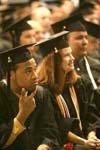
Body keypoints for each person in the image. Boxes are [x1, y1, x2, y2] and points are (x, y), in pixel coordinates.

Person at [36, 31, 100, 150]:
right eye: (66, 55)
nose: (72, 58)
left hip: (84, 141)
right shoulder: (43, 91)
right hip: (61, 144)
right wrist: (84, 143)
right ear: (54, 60)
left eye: (71, 54)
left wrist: (92, 137)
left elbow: (90, 116)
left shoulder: (78, 84)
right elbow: (56, 126)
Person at [0, 43, 60, 150]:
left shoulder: (41, 94)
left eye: (34, 69)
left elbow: (51, 131)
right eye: (28, 71)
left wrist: (45, 146)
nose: (35, 76)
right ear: (10, 75)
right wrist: (22, 116)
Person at [51, 13, 100, 88]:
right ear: (66, 41)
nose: (85, 42)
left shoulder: (95, 66)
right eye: (79, 38)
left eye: (86, 37)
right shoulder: (57, 69)